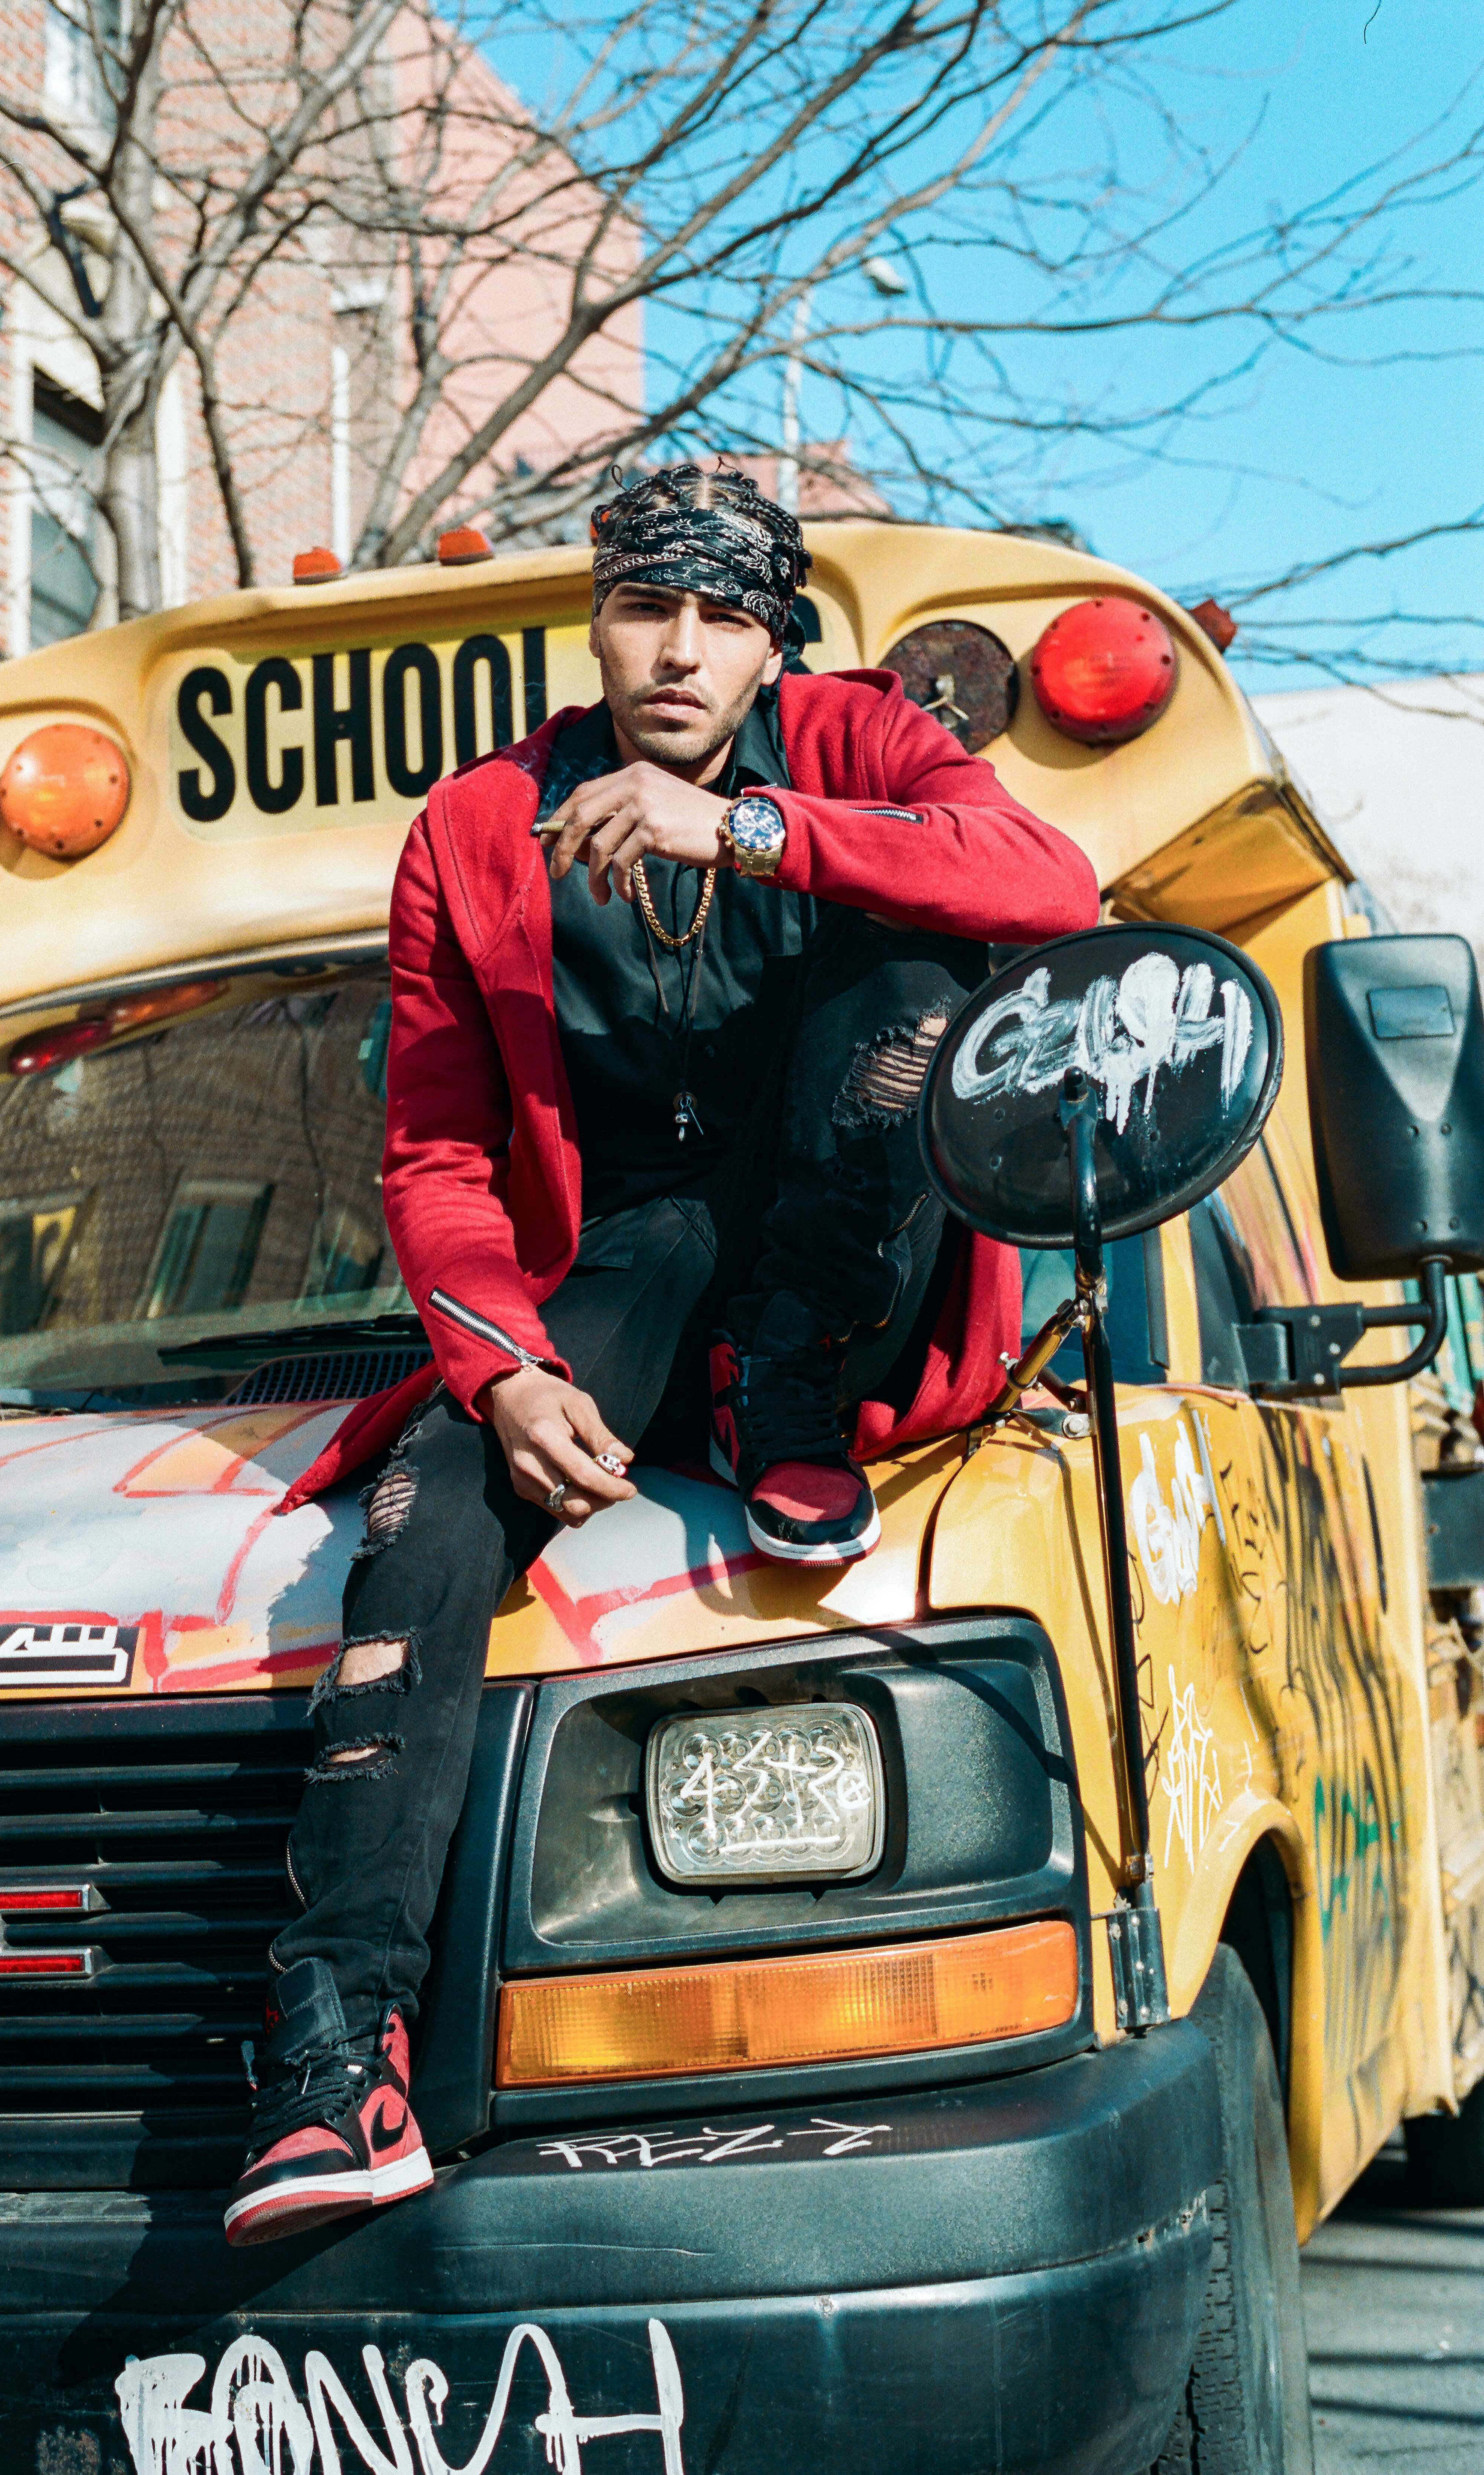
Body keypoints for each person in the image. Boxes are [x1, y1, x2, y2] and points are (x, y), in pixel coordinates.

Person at [223, 464, 1099, 2246]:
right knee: (437, 1496)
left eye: (721, 613)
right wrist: (500, 1372)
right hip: (621, 1255)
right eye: (645, 607)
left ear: (774, 632)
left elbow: (1050, 886)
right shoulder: (474, 826)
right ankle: (339, 2056)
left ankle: (780, 1385)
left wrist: (758, 831)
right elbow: (437, 1152)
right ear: (596, 619)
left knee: (917, 995)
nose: (678, 648)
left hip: (839, 1252)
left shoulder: (853, 739)